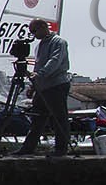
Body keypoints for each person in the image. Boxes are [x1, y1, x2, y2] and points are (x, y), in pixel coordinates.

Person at [16, 18, 72, 156]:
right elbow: (38, 66)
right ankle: (28, 148)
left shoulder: (59, 42)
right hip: (43, 88)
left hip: (56, 85)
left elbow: (54, 62)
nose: (33, 35)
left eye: (34, 31)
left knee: (59, 118)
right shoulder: (40, 46)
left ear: (43, 27)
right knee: (37, 119)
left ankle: (61, 149)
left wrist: (39, 75)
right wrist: (33, 87)